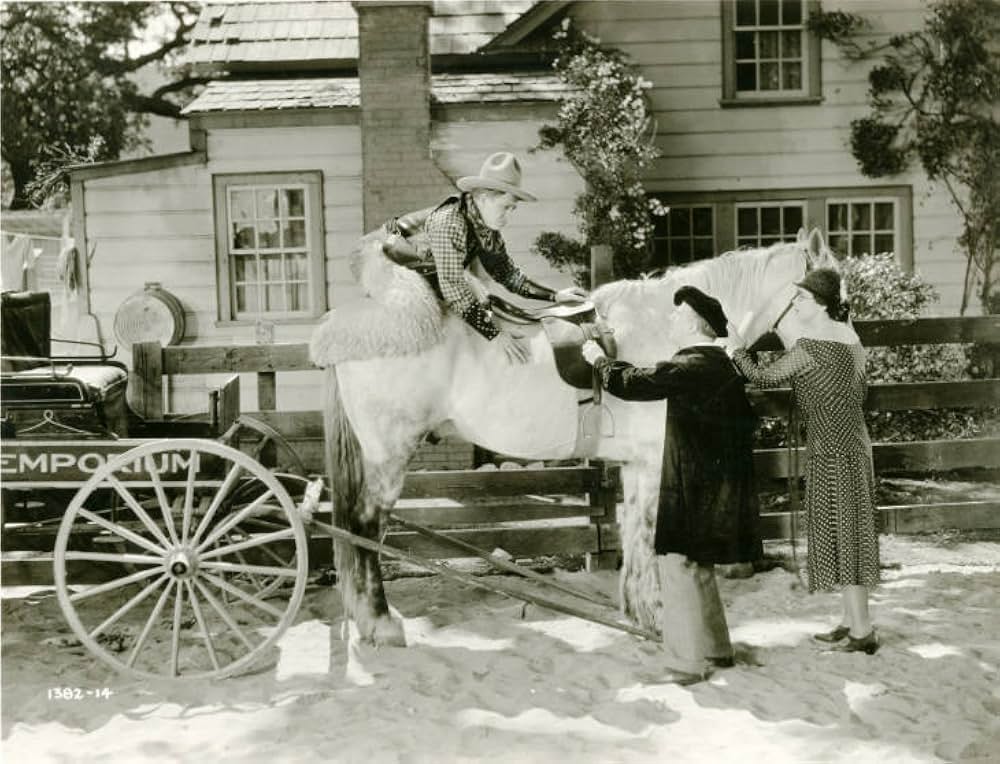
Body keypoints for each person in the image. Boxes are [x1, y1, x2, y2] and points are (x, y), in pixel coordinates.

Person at [581, 286, 762, 684]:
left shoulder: (692, 364)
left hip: (694, 486)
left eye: (677, 315)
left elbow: (634, 383)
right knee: (699, 566)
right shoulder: (722, 365)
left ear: (695, 325)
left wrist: (597, 360)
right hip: (719, 485)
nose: (670, 320)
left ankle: (685, 663)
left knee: (677, 563)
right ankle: (717, 649)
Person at [727, 267, 880, 655]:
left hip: (832, 447)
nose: (796, 303)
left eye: (803, 299)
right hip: (853, 444)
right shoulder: (851, 338)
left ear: (822, 304)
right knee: (850, 532)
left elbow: (761, 377)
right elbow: (860, 390)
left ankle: (863, 632)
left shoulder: (812, 345)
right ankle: (850, 621)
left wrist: (734, 349)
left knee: (845, 535)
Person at [387, 152, 587, 365]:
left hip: (425, 269)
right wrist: (495, 334)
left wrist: (555, 296)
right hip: (382, 256)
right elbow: (453, 288)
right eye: (505, 207)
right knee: (428, 325)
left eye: (512, 209)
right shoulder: (450, 222)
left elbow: (507, 274)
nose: (507, 217)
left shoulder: (485, 226)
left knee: (477, 308)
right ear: (483, 198)